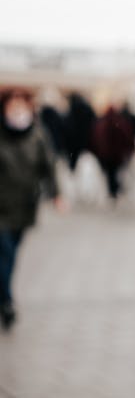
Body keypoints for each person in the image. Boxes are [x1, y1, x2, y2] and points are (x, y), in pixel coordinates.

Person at [0, 88, 60, 329]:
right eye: (13, 106)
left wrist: (57, 194)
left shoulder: (37, 134)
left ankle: (4, 295)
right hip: (0, 207)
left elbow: (49, 165)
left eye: (22, 105)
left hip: (25, 206)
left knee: (11, 255)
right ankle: (6, 302)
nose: (17, 111)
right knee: (4, 255)